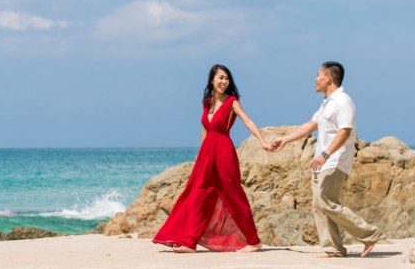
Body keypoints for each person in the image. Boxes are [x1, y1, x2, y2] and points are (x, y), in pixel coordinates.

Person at [268, 61, 383, 258]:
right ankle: (334, 248)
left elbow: (344, 131)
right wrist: (285, 139)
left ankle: (370, 235)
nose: (315, 79)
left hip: (334, 161)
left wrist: (326, 154)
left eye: (318, 75)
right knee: (319, 205)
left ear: (328, 78)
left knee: (327, 202)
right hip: (321, 161)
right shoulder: (326, 103)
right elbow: (310, 126)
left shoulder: (343, 101)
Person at [153, 64, 268, 253]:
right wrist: (200, 156)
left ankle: (254, 241)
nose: (224, 81)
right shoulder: (207, 102)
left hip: (224, 151)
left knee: (234, 196)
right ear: (212, 80)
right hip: (207, 153)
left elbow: (248, 121)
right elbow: (205, 129)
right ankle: (189, 242)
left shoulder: (232, 102)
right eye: (220, 78)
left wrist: (262, 141)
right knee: (198, 195)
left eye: (226, 78)